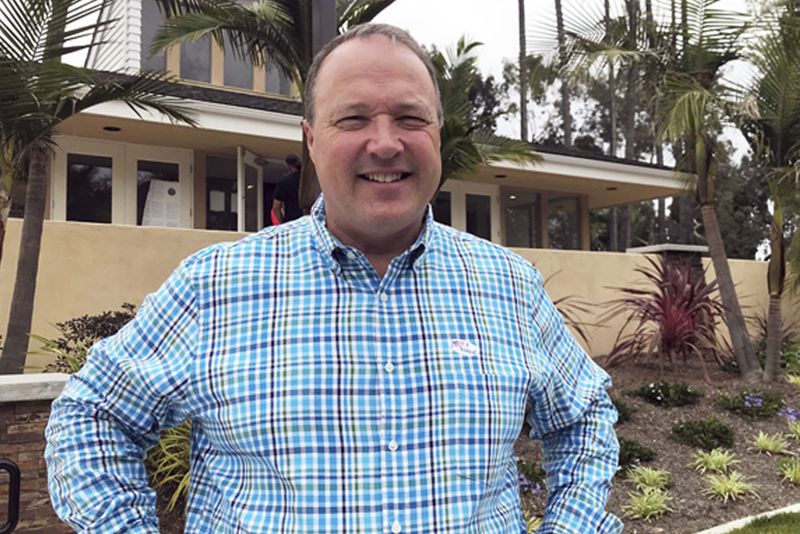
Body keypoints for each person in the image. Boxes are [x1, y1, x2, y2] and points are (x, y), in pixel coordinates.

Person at [45, 23, 621, 533]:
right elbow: (94, 414)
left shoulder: (510, 287)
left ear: (437, 138)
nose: (386, 142)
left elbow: (584, 416)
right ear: (312, 141)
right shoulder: (214, 287)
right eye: (353, 118)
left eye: (409, 117)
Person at [271, 153, 303, 223]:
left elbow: (276, 207)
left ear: (288, 166)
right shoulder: (308, 180)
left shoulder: (283, 181)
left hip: (291, 221)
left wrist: (282, 223)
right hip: (308, 221)